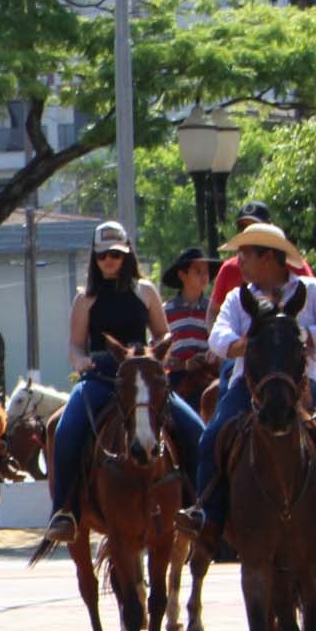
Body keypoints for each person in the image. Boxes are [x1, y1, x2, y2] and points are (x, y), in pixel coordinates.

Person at [179, 223, 316, 551]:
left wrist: (305, 337)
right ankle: (207, 514)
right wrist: (242, 345)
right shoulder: (239, 298)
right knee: (212, 436)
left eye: (245, 255)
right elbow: (217, 337)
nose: (239, 263)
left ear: (268, 257)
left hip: (304, 384)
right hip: (248, 385)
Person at [44, 225, 198, 538]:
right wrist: (80, 361)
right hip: (101, 376)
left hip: (143, 376)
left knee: (196, 429)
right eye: (102, 256)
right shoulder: (85, 299)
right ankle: (65, 511)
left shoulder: (145, 290)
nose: (108, 261)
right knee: (64, 430)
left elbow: (162, 332)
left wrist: (159, 351)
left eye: (115, 254)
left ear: (126, 254)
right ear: (94, 258)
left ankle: (198, 507)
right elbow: (75, 344)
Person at [208, 203, 311, 318]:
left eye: (254, 225)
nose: (247, 231)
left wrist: (301, 333)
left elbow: (312, 300)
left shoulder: (300, 272)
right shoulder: (229, 270)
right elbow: (213, 312)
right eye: (242, 227)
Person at [160, 247, 215, 379]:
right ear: (182, 275)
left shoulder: (213, 310)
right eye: (198, 271)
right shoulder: (165, 311)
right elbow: (157, 351)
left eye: (206, 272)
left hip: (209, 377)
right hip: (176, 380)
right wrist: (184, 365)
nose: (204, 276)